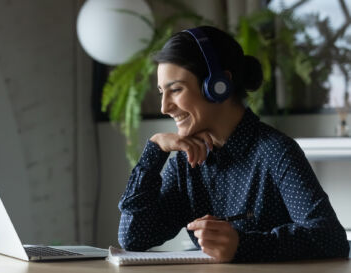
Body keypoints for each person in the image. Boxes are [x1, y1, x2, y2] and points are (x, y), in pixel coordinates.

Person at [117, 25, 349, 263]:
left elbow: (330, 238)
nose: (164, 107)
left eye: (175, 90)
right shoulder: (187, 163)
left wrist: (241, 245)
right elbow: (133, 238)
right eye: (161, 93)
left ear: (219, 85)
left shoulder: (276, 151)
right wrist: (154, 151)